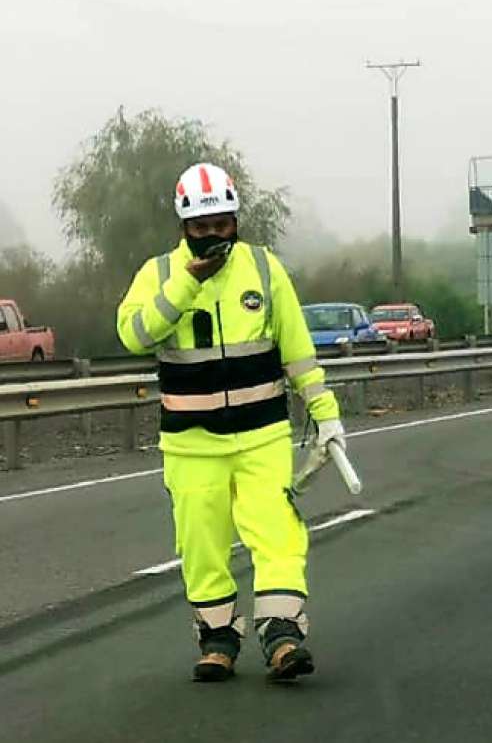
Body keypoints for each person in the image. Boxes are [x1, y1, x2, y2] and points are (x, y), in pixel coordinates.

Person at [117, 163, 344, 683]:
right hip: (191, 445)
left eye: (222, 224)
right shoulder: (157, 275)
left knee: (278, 534)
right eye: (201, 228)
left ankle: (282, 634)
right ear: (183, 227)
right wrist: (184, 288)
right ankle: (217, 638)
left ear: (236, 220)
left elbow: (300, 355)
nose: (213, 236)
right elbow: (133, 334)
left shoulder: (264, 270)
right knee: (201, 544)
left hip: (262, 436)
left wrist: (326, 416)